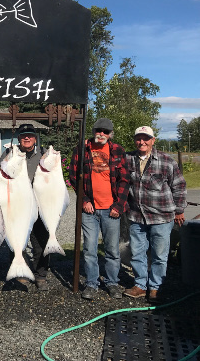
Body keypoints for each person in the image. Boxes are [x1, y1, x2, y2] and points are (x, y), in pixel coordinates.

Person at [123, 126, 187, 303]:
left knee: (159, 255)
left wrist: (179, 210)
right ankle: (140, 285)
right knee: (137, 253)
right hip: (137, 215)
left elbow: (179, 186)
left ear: (153, 140)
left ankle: (155, 287)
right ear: (135, 140)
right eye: (138, 138)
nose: (142, 142)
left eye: (146, 138)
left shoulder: (166, 161)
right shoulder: (128, 159)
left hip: (162, 216)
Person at [69, 118, 129, 300]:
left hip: (111, 209)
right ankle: (92, 283)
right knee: (89, 249)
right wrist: (84, 200)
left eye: (105, 131)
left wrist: (118, 206)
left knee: (112, 250)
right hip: (89, 209)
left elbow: (124, 180)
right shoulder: (82, 149)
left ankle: (112, 282)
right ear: (94, 131)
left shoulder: (118, 150)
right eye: (98, 130)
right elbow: (73, 176)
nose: (101, 134)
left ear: (110, 134)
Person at [14, 123, 50, 291]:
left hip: (40, 205)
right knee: (16, 241)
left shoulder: (44, 155)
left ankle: (40, 275)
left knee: (40, 242)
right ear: (19, 139)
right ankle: (20, 273)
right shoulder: (9, 154)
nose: (26, 138)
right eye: (23, 135)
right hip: (18, 206)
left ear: (35, 138)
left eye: (29, 135)